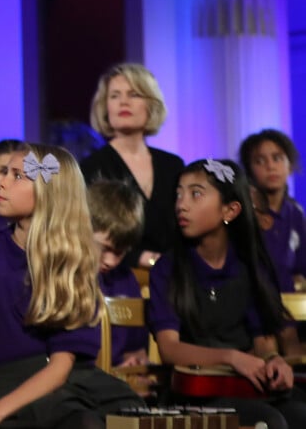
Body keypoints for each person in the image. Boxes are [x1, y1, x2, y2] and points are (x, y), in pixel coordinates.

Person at [0, 143, 145, 429]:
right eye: (4, 173)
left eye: (17, 176)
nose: (2, 182)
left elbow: (61, 366)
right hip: (14, 391)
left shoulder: (73, 260)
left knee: (133, 417)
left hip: (73, 381)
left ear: (48, 193)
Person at [148, 158, 306, 429]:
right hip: (197, 391)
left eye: (195, 194)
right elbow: (169, 349)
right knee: (271, 421)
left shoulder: (250, 267)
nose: (181, 204)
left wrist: (273, 361)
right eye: (179, 194)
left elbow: (263, 343)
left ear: (230, 210)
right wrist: (232, 357)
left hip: (246, 384)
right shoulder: (168, 268)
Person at [81, 63, 184, 268]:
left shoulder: (173, 165)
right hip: (116, 279)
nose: (123, 103)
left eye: (134, 94)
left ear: (151, 105)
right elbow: (84, 235)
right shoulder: (91, 167)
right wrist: (140, 258)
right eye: (115, 96)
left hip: (173, 281)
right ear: (105, 107)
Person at [87, 179, 148, 367]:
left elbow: (136, 346)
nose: (111, 261)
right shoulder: (65, 278)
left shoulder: (125, 280)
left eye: (120, 252)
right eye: (104, 248)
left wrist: (135, 359)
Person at [239, 129, 306, 292]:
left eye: (277, 158)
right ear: (249, 171)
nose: (270, 166)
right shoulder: (242, 213)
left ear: (289, 166)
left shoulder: (296, 213)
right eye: (260, 161)